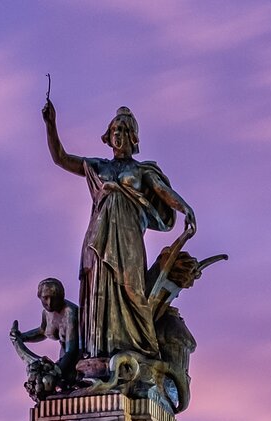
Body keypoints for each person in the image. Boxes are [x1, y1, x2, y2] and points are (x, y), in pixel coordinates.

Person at [42, 101, 193, 363]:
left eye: (124, 131)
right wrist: (51, 125)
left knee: (132, 289)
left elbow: (163, 193)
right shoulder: (99, 167)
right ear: (109, 137)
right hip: (98, 239)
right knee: (100, 289)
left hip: (128, 237)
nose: (119, 136)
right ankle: (100, 353)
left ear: (133, 138)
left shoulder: (140, 170)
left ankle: (141, 348)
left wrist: (186, 208)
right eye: (115, 131)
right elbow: (61, 158)